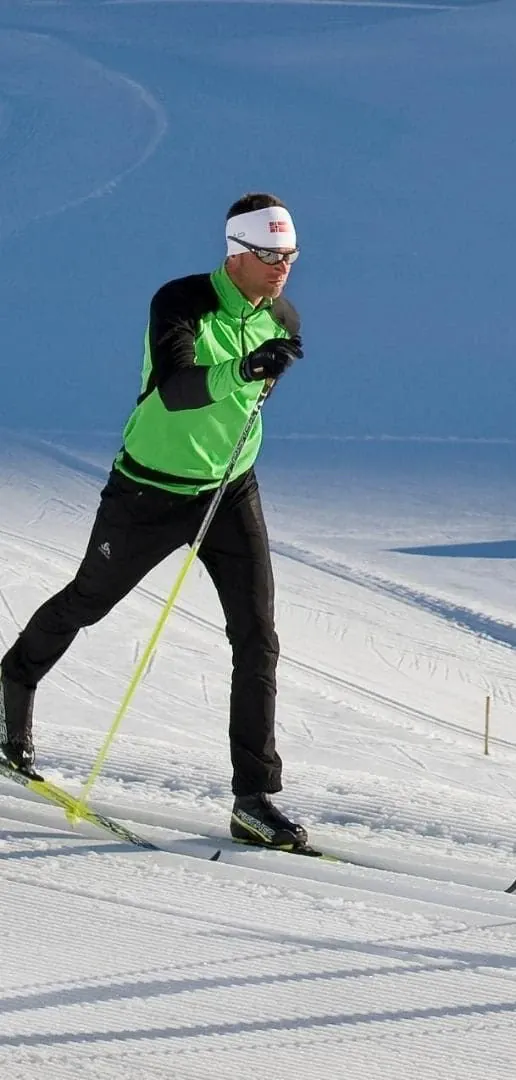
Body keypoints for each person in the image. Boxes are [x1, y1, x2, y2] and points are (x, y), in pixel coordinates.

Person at [1, 193, 308, 848]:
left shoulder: (282, 315)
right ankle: (13, 685)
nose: (283, 266)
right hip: (147, 493)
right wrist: (245, 368)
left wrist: (264, 371)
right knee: (87, 602)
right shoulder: (181, 301)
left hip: (229, 491)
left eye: (290, 254)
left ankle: (253, 799)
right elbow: (175, 388)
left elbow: (253, 392)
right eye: (270, 255)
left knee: (257, 636)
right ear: (237, 253)